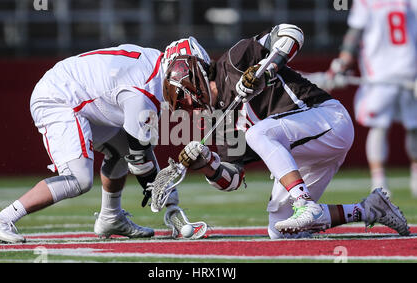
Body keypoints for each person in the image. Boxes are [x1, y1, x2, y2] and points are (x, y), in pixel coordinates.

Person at [162, 24, 410, 238]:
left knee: (257, 133)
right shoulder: (221, 121)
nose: (191, 111)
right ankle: (371, 209)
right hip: (300, 151)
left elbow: (292, 33)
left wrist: (266, 69)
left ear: (192, 76)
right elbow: (233, 179)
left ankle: (303, 204)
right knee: (279, 230)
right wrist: (207, 165)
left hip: (328, 119)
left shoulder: (236, 59)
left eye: (185, 100)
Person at [0, 37, 209, 243]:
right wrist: (168, 202)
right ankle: (0, 220)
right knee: (79, 179)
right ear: (176, 67)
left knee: (121, 150)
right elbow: (140, 160)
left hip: (76, 92)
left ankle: (111, 218)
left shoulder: (154, 66)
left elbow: (138, 150)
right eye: (190, 78)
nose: (191, 91)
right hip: (59, 97)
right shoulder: (144, 92)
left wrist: (166, 196)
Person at [327, 0, 417, 198]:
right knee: (412, 126)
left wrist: (342, 63)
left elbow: (354, 35)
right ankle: (408, 178)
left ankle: (380, 181)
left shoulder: (366, 2)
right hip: (408, 69)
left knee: (382, 126)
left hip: (381, 74)